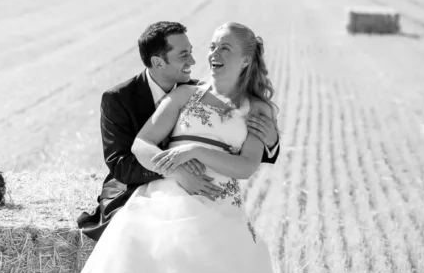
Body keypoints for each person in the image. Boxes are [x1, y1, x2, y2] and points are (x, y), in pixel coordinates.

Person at [35, 22, 316, 273]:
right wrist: (175, 168)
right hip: (163, 193)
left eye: (224, 47)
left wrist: (193, 151)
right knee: (137, 245)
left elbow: (247, 165)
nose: (211, 54)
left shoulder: (259, 109)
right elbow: (139, 146)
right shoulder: (183, 94)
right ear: (157, 61)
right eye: (212, 45)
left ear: (246, 60)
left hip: (220, 203)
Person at [76, 21, 280, 242]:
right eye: (184, 55)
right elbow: (121, 163)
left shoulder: (197, 90)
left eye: (191, 52)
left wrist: (271, 140)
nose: (193, 61)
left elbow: (246, 157)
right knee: (130, 234)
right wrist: (178, 172)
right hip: (136, 184)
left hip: (217, 194)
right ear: (158, 62)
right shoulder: (119, 99)